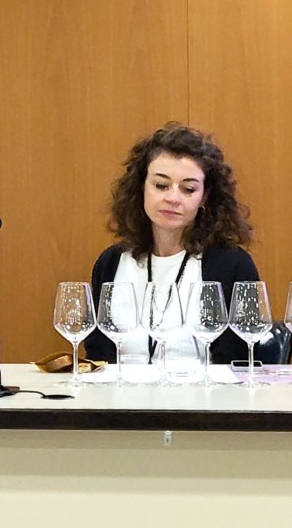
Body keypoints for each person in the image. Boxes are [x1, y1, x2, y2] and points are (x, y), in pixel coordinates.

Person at [86, 122, 258, 365]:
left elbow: (241, 362)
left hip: (204, 390)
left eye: (188, 189)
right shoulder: (111, 262)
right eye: (161, 185)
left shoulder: (232, 265)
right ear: (141, 187)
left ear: (204, 197)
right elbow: (97, 360)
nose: (173, 198)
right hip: (123, 389)